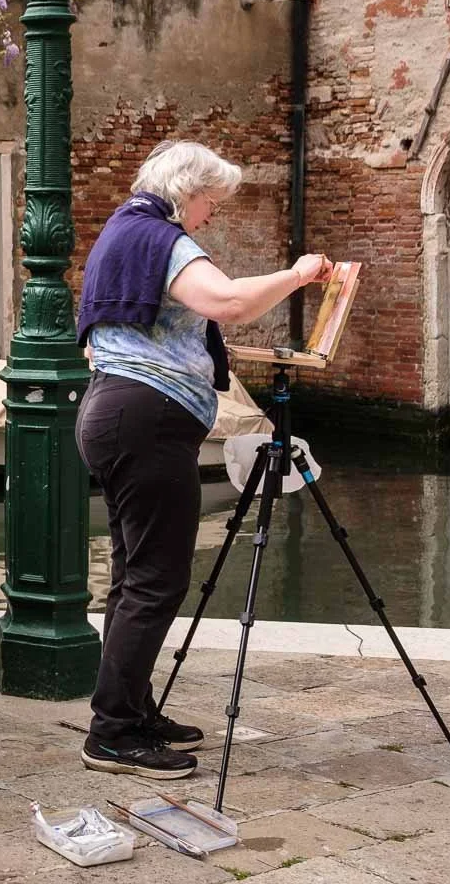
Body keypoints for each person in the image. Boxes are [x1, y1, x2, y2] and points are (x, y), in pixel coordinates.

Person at [75, 140, 331, 780]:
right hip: (145, 420)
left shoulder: (119, 232)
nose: (210, 216)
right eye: (211, 204)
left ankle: (129, 711)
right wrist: (300, 274)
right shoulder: (160, 238)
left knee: (135, 576)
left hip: (115, 411)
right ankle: (111, 733)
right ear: (185, 191)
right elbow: (228, 302)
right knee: (157, 581)